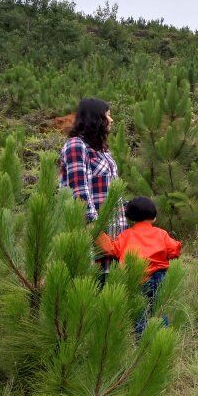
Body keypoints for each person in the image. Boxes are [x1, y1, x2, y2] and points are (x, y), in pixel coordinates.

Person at [59, 98, 127, 281]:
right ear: (96, 118)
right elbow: (78, 192)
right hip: (93, 239)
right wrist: (95, 232)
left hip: (114, 238)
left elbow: (109, 191)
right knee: (90, 295)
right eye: (108, 115)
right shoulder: (76, 146)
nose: (111, 120)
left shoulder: (101, 150)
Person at [97, 196, 182, 335]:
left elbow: (111, 249)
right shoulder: (161, 234)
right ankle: (161, 339)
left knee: (139, 313)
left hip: (136, 278)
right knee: (159, 310)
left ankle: (141, 343)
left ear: (130, 217)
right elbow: (175, 250)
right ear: (154, 216)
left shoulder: (125, 235)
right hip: (159, 277)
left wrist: (98, 232)